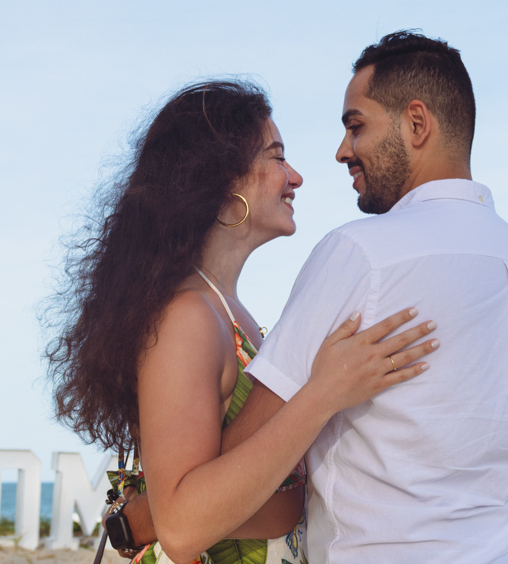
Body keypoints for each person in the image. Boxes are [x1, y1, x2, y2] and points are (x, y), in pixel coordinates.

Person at [43, 79, 437, 564]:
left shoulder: (224, 310)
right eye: (277, 157)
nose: (295, 177)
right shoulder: (187, 318)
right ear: (224, 179)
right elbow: (182, 524)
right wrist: (325, 393)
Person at [221, 31, 508, 563]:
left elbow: (240, 463)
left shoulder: (361, 255)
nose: (342, 151)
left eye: (356, 126)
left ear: (416, 124)